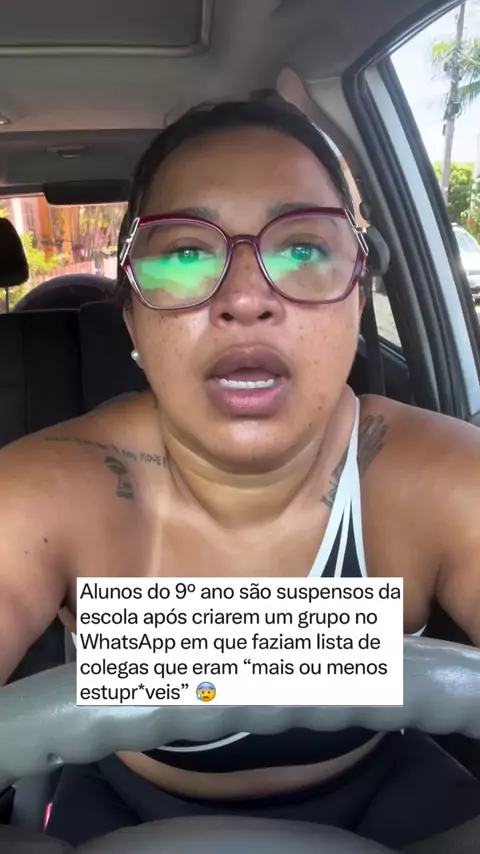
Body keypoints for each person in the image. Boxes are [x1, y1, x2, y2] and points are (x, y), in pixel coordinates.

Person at [1, 96, 480, 850]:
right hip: (122, 807)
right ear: (132, 317)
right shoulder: (49, 491)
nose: (247, 299)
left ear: (358, 298)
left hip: (395, 796)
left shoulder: (440, 477)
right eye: (185, 254)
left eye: (303, 249)